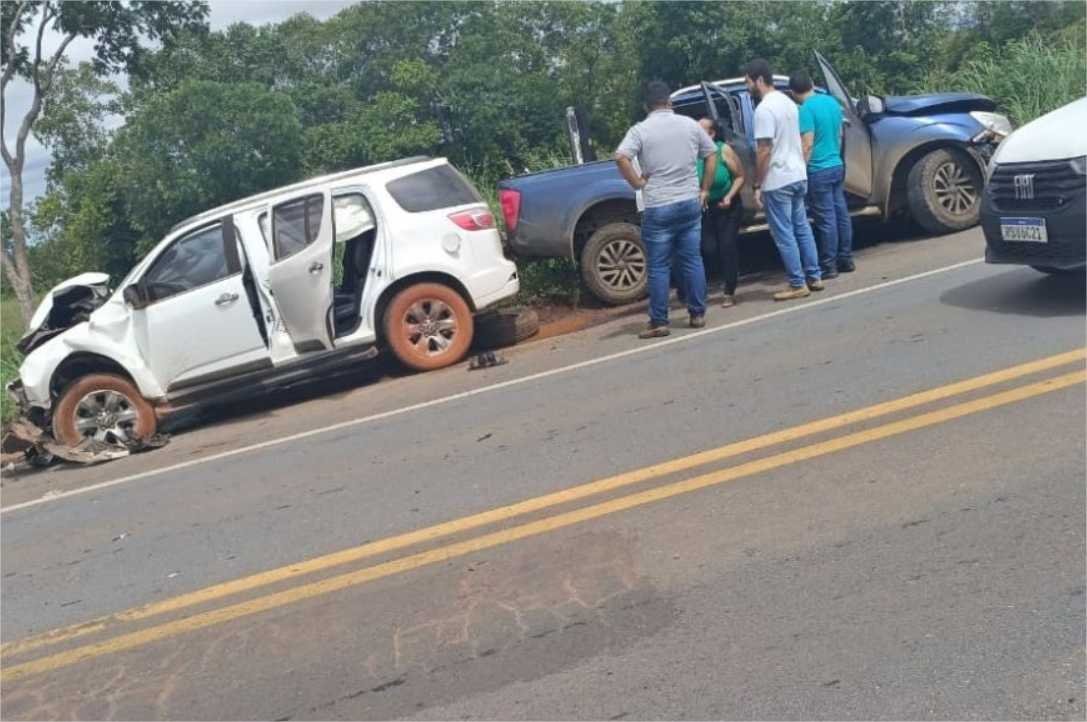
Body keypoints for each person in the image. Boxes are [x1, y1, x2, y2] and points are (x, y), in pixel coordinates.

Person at [616, 80, 718, 338]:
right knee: (692, 259)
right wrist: (704, 189)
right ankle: (697, 313)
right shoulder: (689, 125)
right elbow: (711, 153)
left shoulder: (640, 130)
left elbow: (621, 157)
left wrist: (638, 183)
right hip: (688, 202)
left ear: (645, 106)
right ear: (670, 102)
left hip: (659, 205)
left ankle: (660, 321)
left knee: (659, 266)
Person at [745, 58, 822, 301]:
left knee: (784, 233)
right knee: (802, 227)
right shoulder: (789, 104)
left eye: (748, 82)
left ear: (758, 80)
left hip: (777, 179)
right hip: (798, 173)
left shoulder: (764, 110)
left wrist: (757, 183)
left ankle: (797, 283)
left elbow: (764, 150)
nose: (748, 87)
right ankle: (814, 275)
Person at [790, 70, 855, 277]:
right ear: (811, 84)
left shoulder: (805, 110)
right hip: (836, 164)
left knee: (826, 219)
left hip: (818, 169)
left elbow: (807, 143)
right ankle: (846, 258)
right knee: (841, 214)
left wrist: (801, 168)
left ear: (793, 92)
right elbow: (839, 133)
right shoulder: (831, 102)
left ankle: (829, 265)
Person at [697, 117, 746, 307]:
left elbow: (740, 176)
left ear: (711, 134)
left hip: (728, 205)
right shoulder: (693, 154)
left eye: (701, 130)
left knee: (727, 246)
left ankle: (729, 291)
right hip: (706, 207)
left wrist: (729, 196)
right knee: (708, 248)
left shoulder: (723, 150)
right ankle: (710, 285)